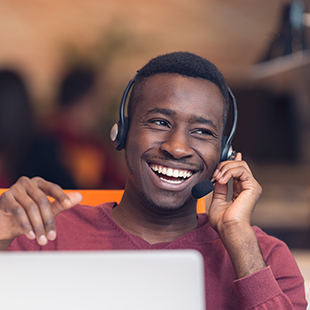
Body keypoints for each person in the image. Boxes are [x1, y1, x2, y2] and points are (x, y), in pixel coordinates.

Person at [0, 52, 307, 309]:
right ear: (122, 132)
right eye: (160, 122)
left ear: (224, 152)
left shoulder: (264, 256)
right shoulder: (42, 237)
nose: (176, 147)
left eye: (202, 131)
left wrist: (239, 242)